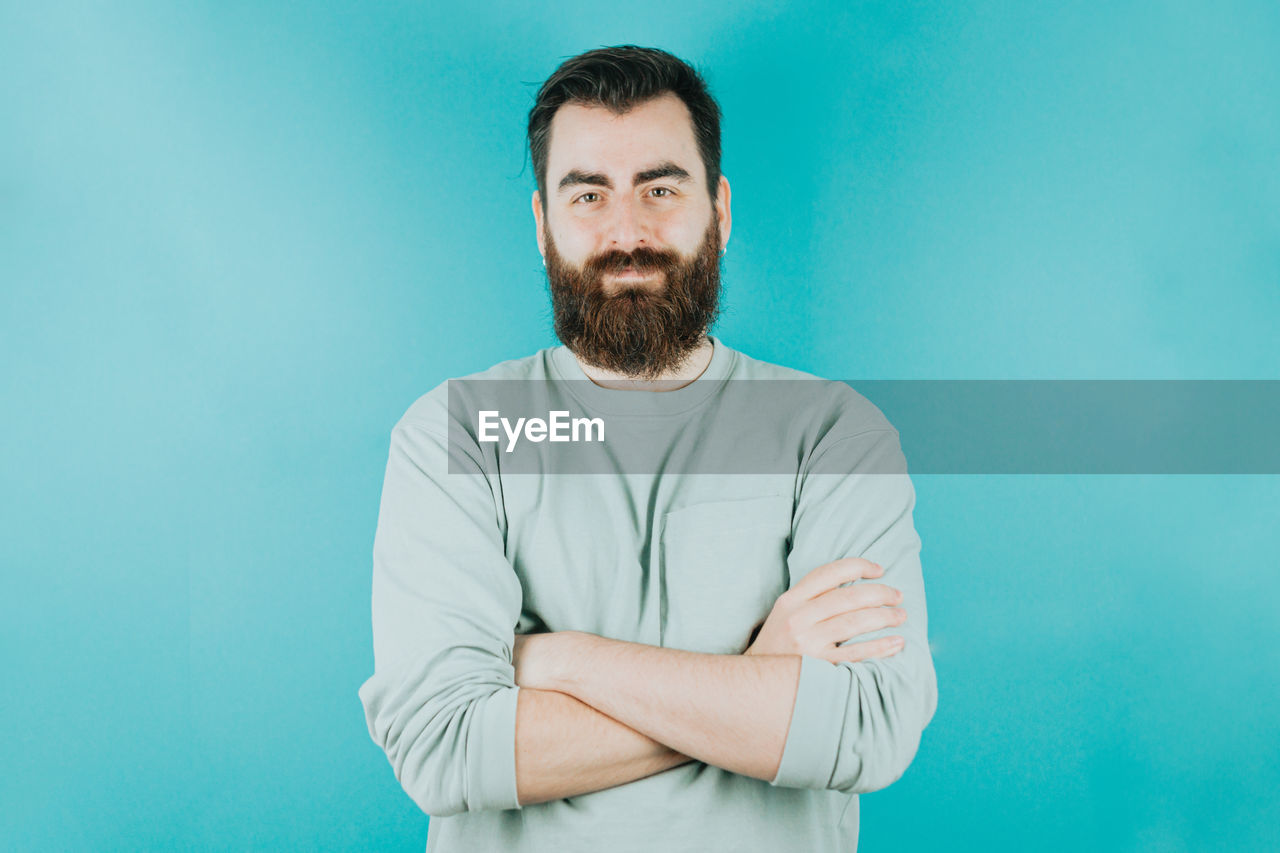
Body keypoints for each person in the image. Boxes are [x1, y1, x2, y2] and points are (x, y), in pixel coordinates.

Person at [358, 45, 937, 852]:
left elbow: (867, 730)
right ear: (542, 223)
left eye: (660, 189)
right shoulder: (458, 434)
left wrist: (557, 660)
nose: (628, 233)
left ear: (721, 210)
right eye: (588, 194)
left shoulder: (833, 434)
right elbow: (447, 748)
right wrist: (754, 679)